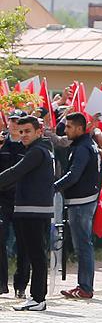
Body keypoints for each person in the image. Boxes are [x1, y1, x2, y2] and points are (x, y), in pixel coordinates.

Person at [1, 115, 55, 311]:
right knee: (35, 255)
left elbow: (15, 172)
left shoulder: (37, 152)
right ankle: (37, 298)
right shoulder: (38, 150)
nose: (23, 135)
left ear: (39, 132)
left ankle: (38, 298)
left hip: (34, 211)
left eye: (27, 131)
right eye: (21, 131)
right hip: (31, 210)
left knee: (36, 256)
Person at [52, 112, 101, 300]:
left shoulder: (82, 148)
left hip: (81, 202)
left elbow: (74, 175)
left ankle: (85, 287)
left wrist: (53, 187)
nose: (66, 130)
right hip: (85, 200)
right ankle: (84, 286)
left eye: (69, 127)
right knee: (84, 245)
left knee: (83, 246)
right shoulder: (87, 144)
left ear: (80, 128)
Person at [0, 110, 27, 297]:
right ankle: (2, 283)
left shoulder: (30, 147)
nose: (15, 125)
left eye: (18, 121)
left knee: (24, 245)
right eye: (12, 121)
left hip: (23, 200)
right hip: (2, 200)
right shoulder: (3, 144)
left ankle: (21, 285)